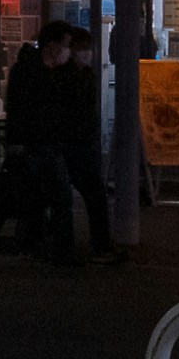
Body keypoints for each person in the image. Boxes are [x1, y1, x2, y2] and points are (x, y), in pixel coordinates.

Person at [0, 21, 68, 261]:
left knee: (32, 196)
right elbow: (22, 109)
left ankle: (27, 242)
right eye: (65, 45)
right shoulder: (29, 71)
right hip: (32, 142)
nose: (68, 50)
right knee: (41, 194)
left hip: (42, 141)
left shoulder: (44, 70)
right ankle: (44, 246)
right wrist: (18, 142)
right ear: (52, 45)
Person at [51, 27, 125, 264]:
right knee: (91, 194)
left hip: (75, 144)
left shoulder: (80, 74)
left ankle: (82, 246)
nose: (88, 54)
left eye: (88, 49)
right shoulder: (70, 76)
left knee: (74, 196)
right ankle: (98, 246)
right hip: (72, 144)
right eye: (83, 49)